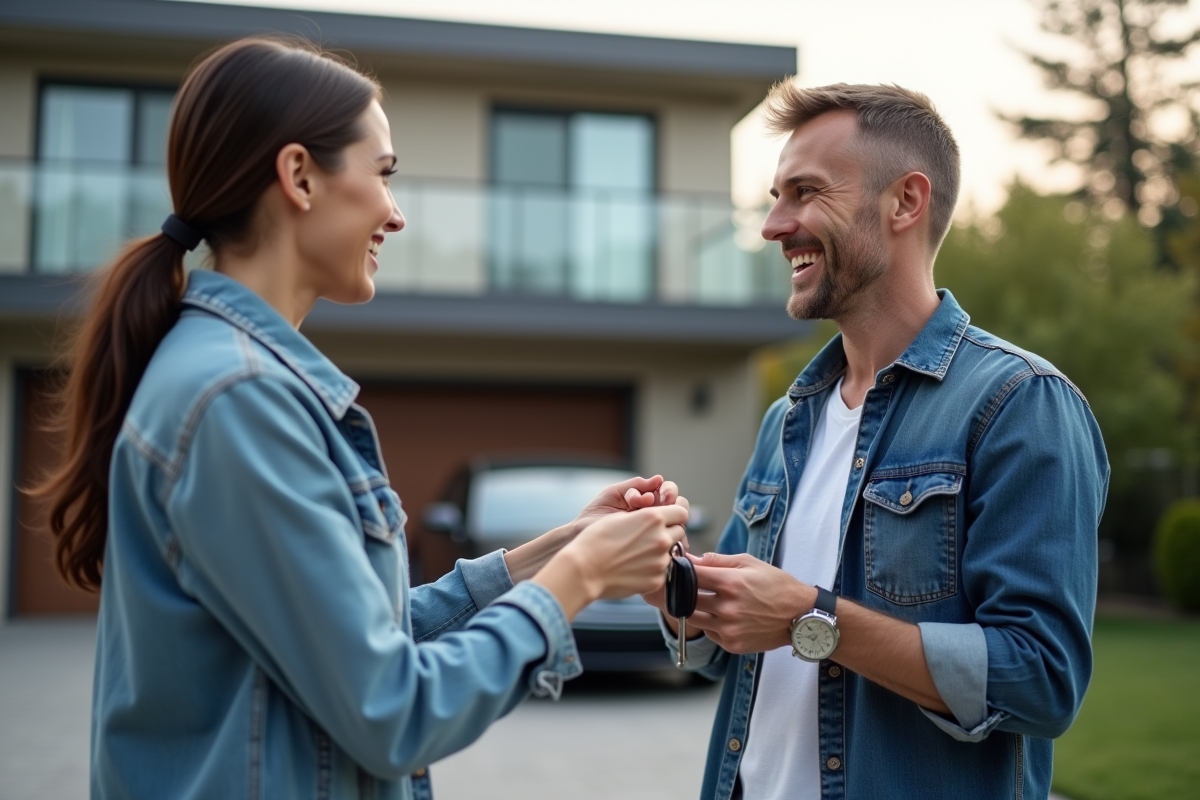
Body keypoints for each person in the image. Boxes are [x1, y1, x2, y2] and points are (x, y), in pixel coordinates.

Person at [33, 38, 689, 800]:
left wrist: (551, 552)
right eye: (383, 174)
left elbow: (349, 634)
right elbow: (391, 709)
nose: (397, 214)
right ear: (300, 177)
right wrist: (581, 580)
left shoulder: (230, 381)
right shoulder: (238, 400)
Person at [647, 83, 1109, 800]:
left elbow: (1041, 681)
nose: (774, 225)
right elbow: (720, 653)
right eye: (775, 196)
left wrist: (810, 616)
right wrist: (673, 585)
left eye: (804, 192)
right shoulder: (787, 420)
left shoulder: (1020, 405)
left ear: (905, 202)